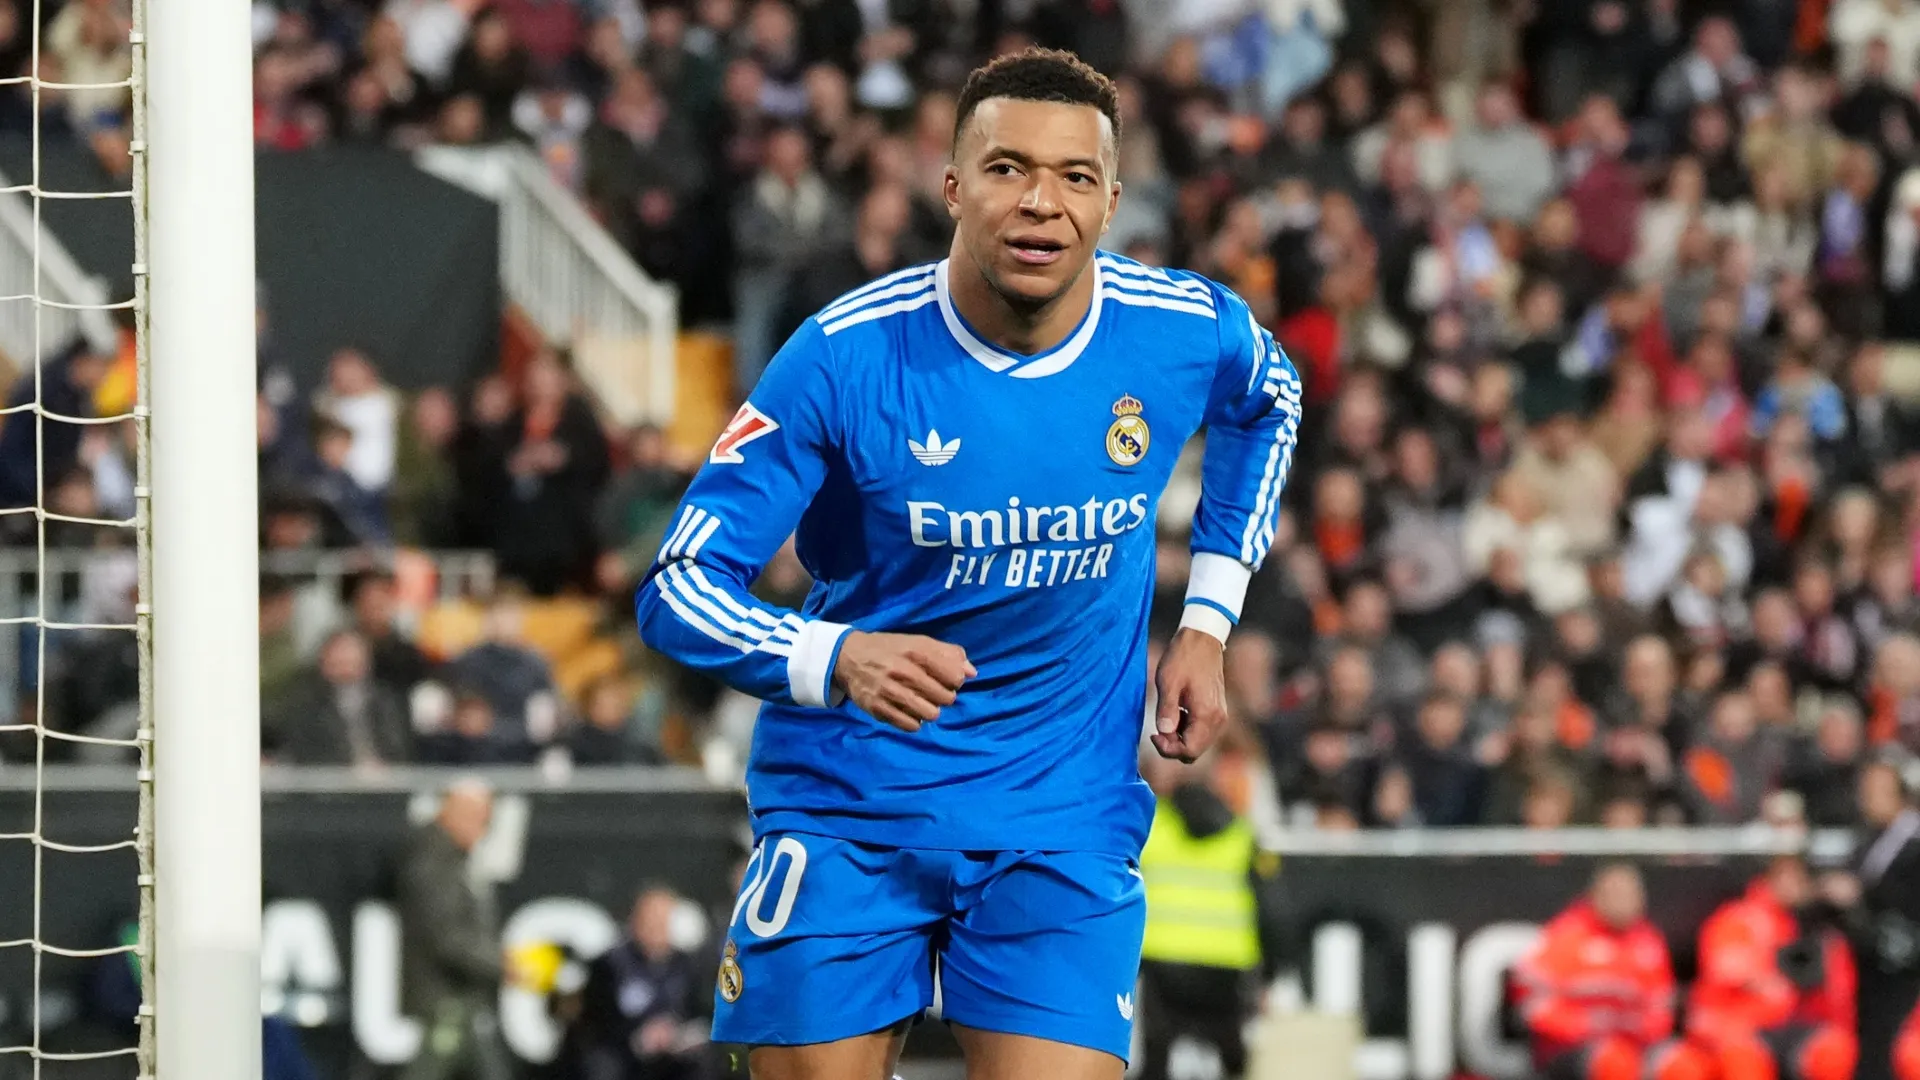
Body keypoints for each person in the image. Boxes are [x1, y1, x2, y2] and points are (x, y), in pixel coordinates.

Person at [633, 47, 1302, 1080]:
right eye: (1007, 169)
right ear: (952, 186)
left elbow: (1273, 398)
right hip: (852, 805)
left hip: (1059, 814)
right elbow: (678, 588)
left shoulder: (1177, 331)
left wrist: (1207, 621)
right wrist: (838, 658)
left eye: (1076, 177)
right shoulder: (844, 354)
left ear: (1114, 199)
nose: (1042, 202)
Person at [1133, 746, 1284, 1080]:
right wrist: (1270, 975)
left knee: (1156, 1061)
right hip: (1226, 968)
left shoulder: (1152, 825)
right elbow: (1271, 911)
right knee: (1233, 1059)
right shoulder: (1242, 834)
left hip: (1162, 963)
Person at [1683, 855, 1859, 1080]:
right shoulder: (1739, 918)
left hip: (1792, 1025)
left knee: (1834, 1050)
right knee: (1744, 1056)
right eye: (1788, 875)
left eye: (1801, 878)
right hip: (1740, 1025)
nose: (1795, 884)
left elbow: (1835, 992)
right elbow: (1727, 971)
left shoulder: (1816, 929)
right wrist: (1774, 975)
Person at [1514, 863, 1694, 1080]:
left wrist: (1636, 1027)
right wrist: (1587, 1023)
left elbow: (1661, 1008)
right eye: (1617, 894)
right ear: (1596, 896)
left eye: (1631, 894)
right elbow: (1533, 1006)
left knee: (1681, 1064)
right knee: (1615, 1061)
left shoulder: (1648, 941)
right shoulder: (1567, 935)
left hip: (1634, 1042)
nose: (1625, 902)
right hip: (1572, 1047)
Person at [396, 778, 523, 1080]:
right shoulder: (433, 862)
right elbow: (446, 936)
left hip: (459, 998)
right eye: (481, 820)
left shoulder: (444, 857)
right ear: (455, 811)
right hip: (445, 996)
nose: (483, 831)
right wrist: (497, 962)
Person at [569, 887, 714, 1080]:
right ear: (635, 919)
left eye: (663, 920)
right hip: (625, 1053)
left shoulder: (689, 966)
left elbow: (704, 1013)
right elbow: (595, 1022)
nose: (656, 927)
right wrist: (639, 1038)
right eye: (650, 919)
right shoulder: (610, 965)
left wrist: (680, 1034)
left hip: (675, 1054)